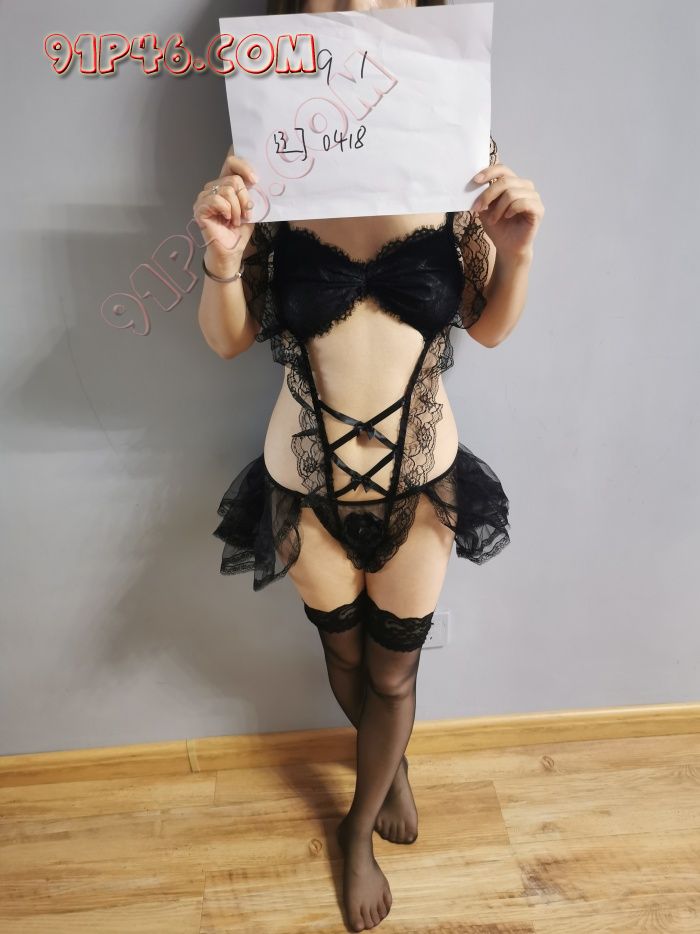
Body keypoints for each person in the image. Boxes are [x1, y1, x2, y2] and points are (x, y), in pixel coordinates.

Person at [194, 1, 544, 929]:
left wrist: (516, 253)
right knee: (345, 654)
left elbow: (488, 328)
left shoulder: (454, 138)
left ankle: (355, 827)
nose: (353, 10)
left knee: (394, 674)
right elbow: (227, 340)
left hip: (422, 481)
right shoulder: (268, 140)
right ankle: (389, 763)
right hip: (302, 482)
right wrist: (222, 258)